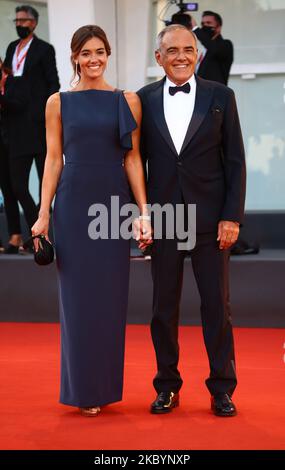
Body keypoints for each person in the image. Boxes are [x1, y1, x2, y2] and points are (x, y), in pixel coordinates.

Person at [31, 25, 152, 417]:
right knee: (78, 301)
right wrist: (43, 211)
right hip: (72, 203)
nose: (94, 59)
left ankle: (103, 387)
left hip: (114, 207)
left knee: (110, 300)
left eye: (100, 51)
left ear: (108, 54)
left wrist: (144, 212)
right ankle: (83, 389)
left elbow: (133, 159)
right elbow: (53, 159)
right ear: (74, 57)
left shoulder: (127, 100)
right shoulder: (57, 102)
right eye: (86, 53)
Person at [137, 24, 246, 417]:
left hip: (210, 220)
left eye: (188, 49)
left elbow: (235, 162)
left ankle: (222, 388)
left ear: (197, 54)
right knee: (162, 309)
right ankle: (167, 385)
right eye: (172, 50)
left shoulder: (222, 95)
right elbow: (136, 163)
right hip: (165, 219)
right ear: (158, 57)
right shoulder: (143, 100)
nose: (181, 56)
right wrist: (140, 216)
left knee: (216, 307)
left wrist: (231, 216)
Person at [3, 4, 60, 226]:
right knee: (17, 184)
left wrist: (49, 114)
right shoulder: (11, 48)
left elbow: (53, 83)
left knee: (48, 180)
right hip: (15, 123)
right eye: (16, 21)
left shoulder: (44, 49)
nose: (19, 25)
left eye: (23, 21)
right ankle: (34, 222)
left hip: (38, 125)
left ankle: (44, 219)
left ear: (34, 23)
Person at [0, 58, 23, 253]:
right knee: (6, 190)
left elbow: (19, 106)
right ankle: (14, 236)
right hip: (1, 142)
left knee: (19, 187)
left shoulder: (13, 82)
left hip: (16, 142)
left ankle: (35, 237)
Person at [191, 11, 233, 85]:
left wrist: (195, 29)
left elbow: (214, 49)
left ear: (219, 27)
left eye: (208, 23)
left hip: (216, 94)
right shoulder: (205, 49)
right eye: (203, 24)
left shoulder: (225, 45)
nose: (205, 26)